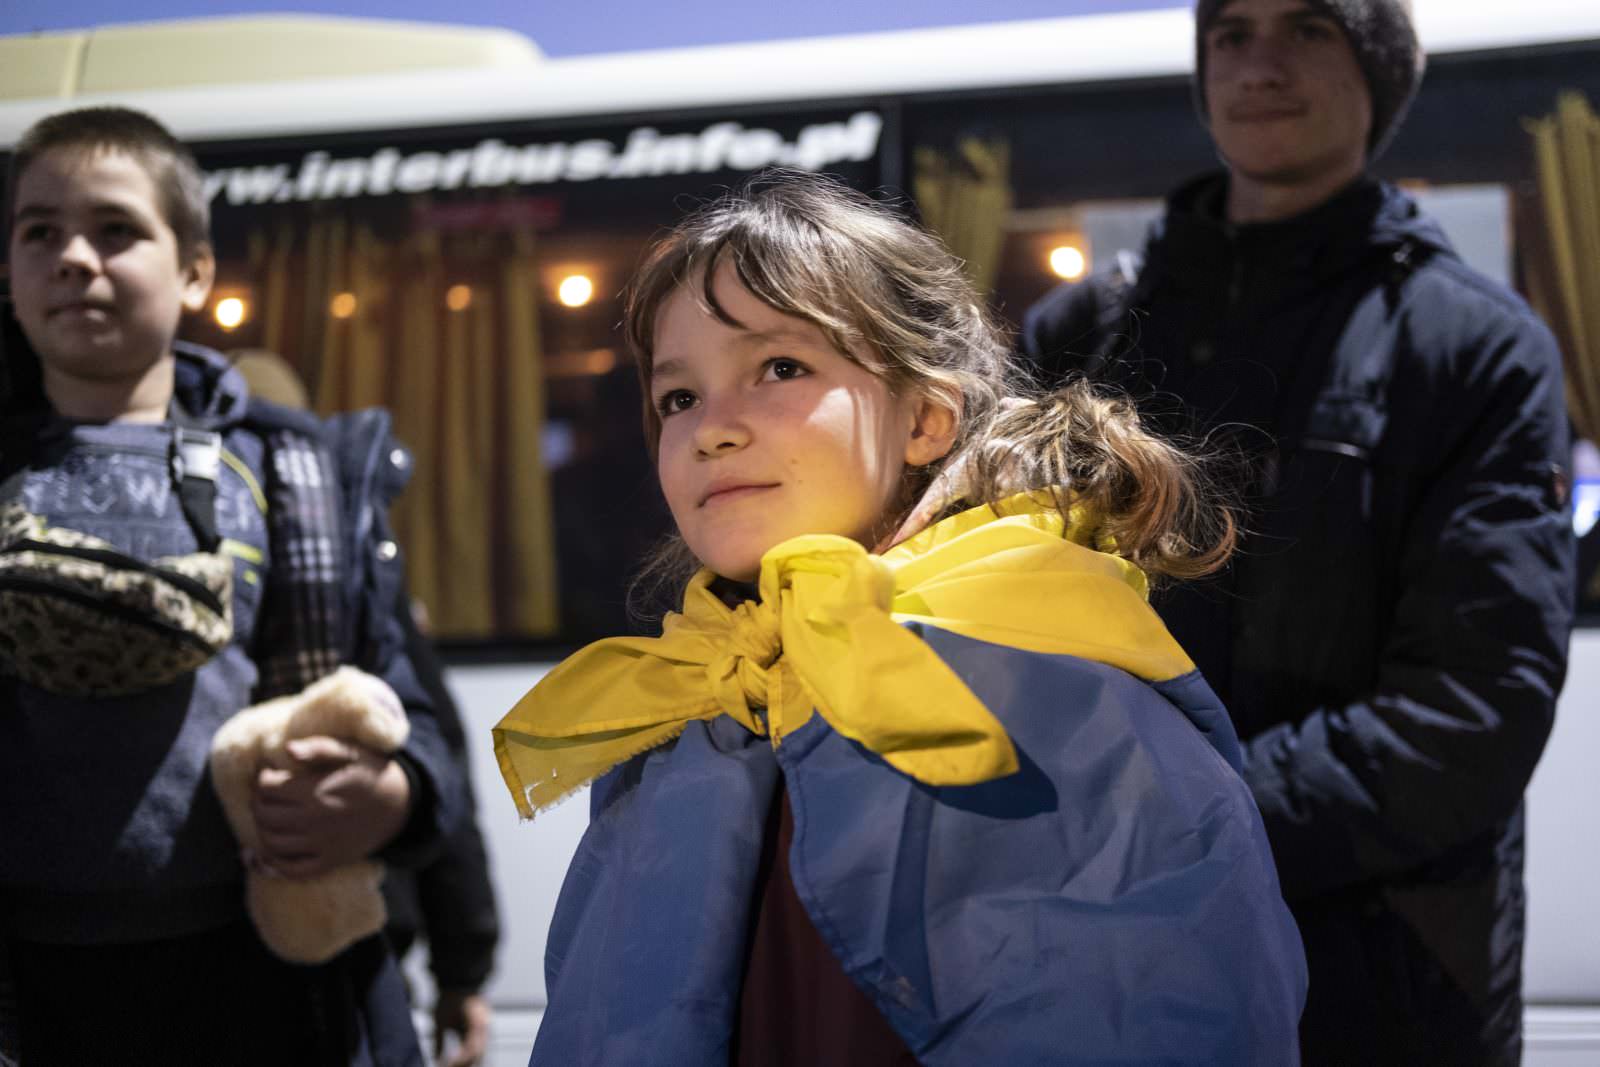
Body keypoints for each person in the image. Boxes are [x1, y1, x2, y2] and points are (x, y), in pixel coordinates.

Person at [492, 171, 1307, 1066]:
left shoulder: (1059, 699)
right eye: (677, 397)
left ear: (924, 418)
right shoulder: (691, 701)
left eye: (780, 368)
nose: (711, 428)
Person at [1021, 2, 1576, 1064]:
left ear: (1379, 74)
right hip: (1106, 959)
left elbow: (1471, 712)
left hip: (1380, 977)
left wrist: (1175, 821)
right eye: (1231, 33)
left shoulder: (1474, 345)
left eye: (1309, 28)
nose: (1260, 64)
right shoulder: (1084, 334)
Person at [0, 106, 464, 1065]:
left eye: (116, 229)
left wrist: (392, 793)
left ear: (195, 272)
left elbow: (418, 725)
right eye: (40, 231)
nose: (75, 257)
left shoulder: (294, 475)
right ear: (7, 269)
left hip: (263, 989)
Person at [230, 347, 503, 1067]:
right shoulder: (343, 559)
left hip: (343, 948)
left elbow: (433, 761)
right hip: (360, 938)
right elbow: (443, 758)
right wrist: (462, 969)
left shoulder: (346, 565)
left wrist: (463, 967)